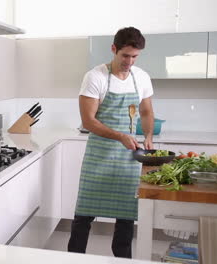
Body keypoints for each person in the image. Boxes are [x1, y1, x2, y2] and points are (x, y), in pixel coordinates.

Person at [67, 27, 154, 259]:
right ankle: (73, 258)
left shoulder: (141, 77)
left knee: (126, 218)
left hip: (129, 158)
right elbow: (88, 121)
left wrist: (147, 136)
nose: (130, 61)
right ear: (114, 49)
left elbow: (146, 112)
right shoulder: (95, 77)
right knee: (83, 216)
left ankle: (122, 259)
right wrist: (120, 136)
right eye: (125, 55)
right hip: (99, 156)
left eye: (135, 56)